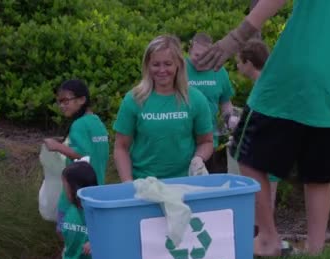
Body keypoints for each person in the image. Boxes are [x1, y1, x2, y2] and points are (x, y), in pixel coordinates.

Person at [196, 0, 330, 256]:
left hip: (296, 69)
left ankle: (268, 239)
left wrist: (235, 38)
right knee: (320, 171)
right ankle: (315, 252)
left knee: (245, 149)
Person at [113, 34, 214, 182]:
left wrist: (198, 159)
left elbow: (206, 141)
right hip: (144, 184)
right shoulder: (134, 99)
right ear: (147, 65)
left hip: (185, 183)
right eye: (156, 64)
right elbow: (121, 147)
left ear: (178, 64)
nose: (162, 70)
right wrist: (128, 183)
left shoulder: (196, 99)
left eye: (167, 64)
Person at [44, 80, 109, 237]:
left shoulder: (79, 124)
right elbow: (93, 152)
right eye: (59, 101)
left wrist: (56, 146)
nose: (61, 105)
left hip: (74, 197)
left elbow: (83, 155)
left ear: (82, 100)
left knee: (68, 239)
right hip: (95, 192)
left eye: (66, 100)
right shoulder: (97, 122)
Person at [234, 39, 280, 210]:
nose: (238, 66)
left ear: (249, 63)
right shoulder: (265, 84)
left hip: (270, 149)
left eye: (239, 62)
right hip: (267, 148)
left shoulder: (265, 87)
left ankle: (265, 233)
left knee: (265, 198)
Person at [186, 32, 236, 173]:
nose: (200, 60)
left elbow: (226, 104)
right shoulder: (179, 69)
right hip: (182, 141)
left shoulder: (219, 71)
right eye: (196, 56)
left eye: (205, 57)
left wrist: (231, 123)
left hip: (209, 141)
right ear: (190, 51)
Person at [59, 161, 97, 259]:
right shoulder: (70, 208)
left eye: (65, 186)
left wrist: (96, 243)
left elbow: (114, 236)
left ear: (76, 188)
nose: (64, 190)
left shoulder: (97, 212)